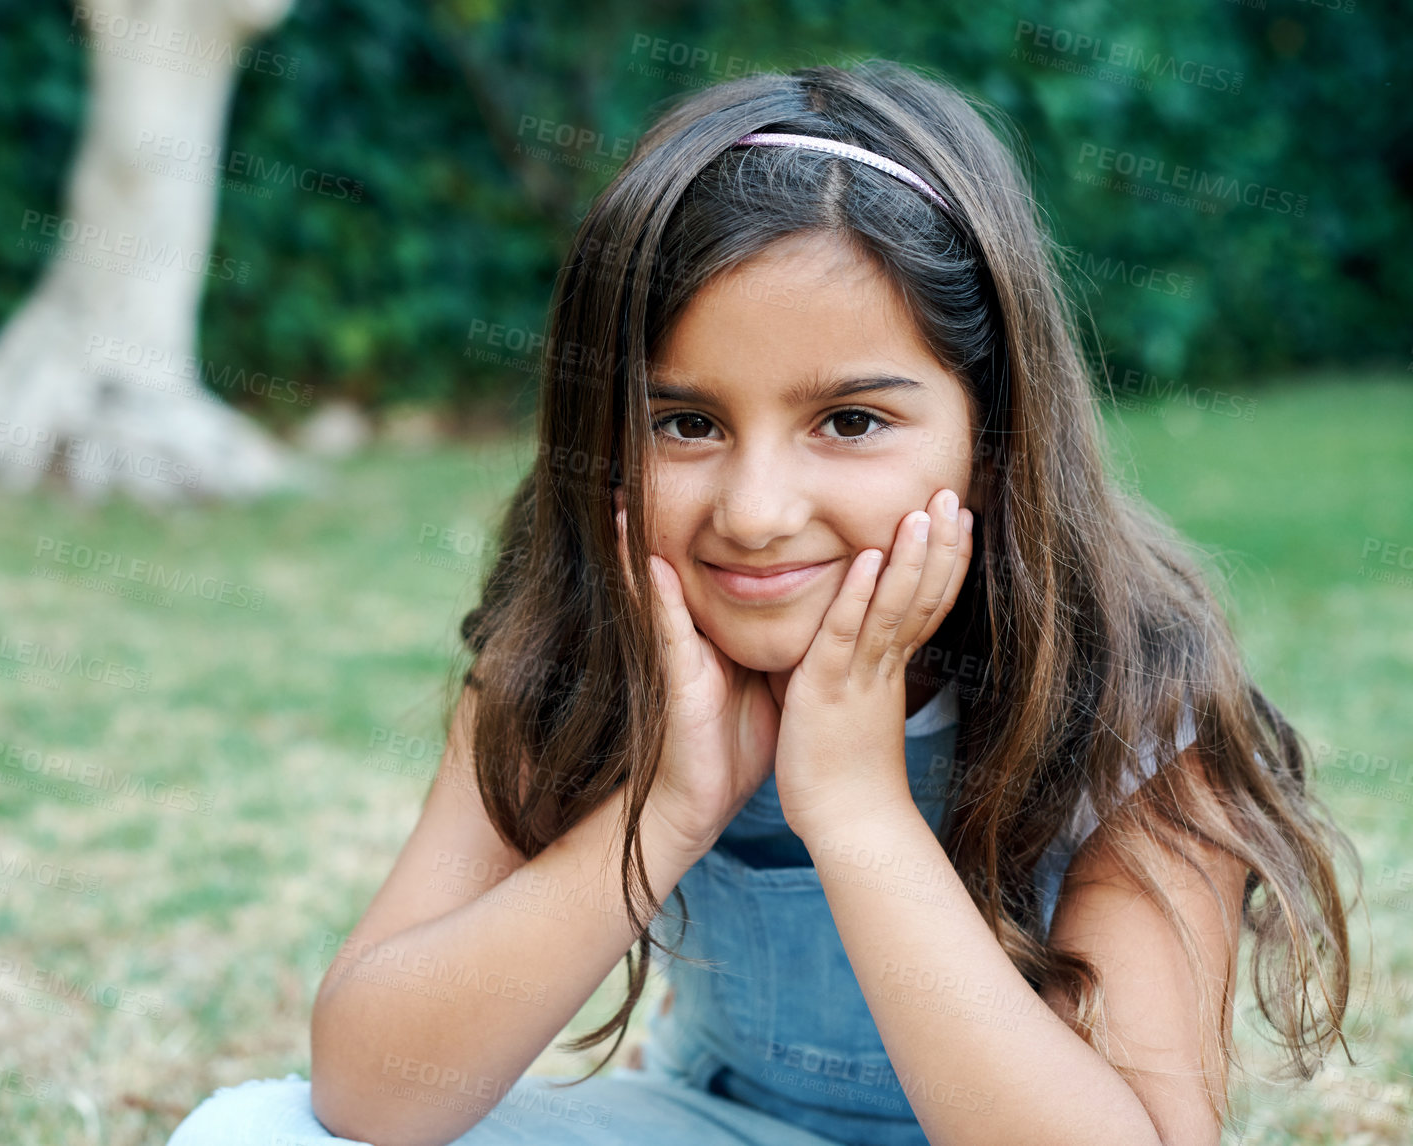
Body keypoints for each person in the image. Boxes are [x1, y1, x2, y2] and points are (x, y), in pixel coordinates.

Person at [168, 59, 1358, 1146]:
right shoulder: (585, 649)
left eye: (849, 421)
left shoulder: (1129, 690)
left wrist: (854, 807)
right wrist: (668, 804)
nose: (753, 510)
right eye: (686, 423)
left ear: (992, 443)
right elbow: (369, 1092)